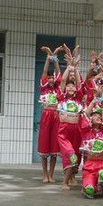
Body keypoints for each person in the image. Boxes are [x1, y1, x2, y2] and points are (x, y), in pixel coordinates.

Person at [57, 49, 83, 190]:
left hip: (77, 131)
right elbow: (62, 81)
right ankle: (64, 182)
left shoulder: (78, 98)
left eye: (73, 86)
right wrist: (69, 68)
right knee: (70, 155)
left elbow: (80, 84)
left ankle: (72, 176)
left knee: (76, 157)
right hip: (64, 131)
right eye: (69, 86)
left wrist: (76, 69)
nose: (71, 87)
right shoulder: (61, 97)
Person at [79, 84, 103, 198]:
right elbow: (85, 114)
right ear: (90, 120)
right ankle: (88, 186)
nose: (98, 116)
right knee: (90, 191)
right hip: (89, 166)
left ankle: (102, 186)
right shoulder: (86, 130)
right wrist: (93, 100)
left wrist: (102, 98)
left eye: (99, 115)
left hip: (102, 165)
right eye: (95, 115)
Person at [37, 46, 63, 183]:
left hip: (56, 117)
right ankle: (44, 174)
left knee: (54, 148)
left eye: (53, 77)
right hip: (46, 116)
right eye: (50, 78)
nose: (52, 79)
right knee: (44, 147)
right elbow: (45, 71)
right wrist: (48, 57)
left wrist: (55, 59)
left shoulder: (58, 90)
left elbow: (59, 74)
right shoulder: (44, 89)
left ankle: (51, 175)